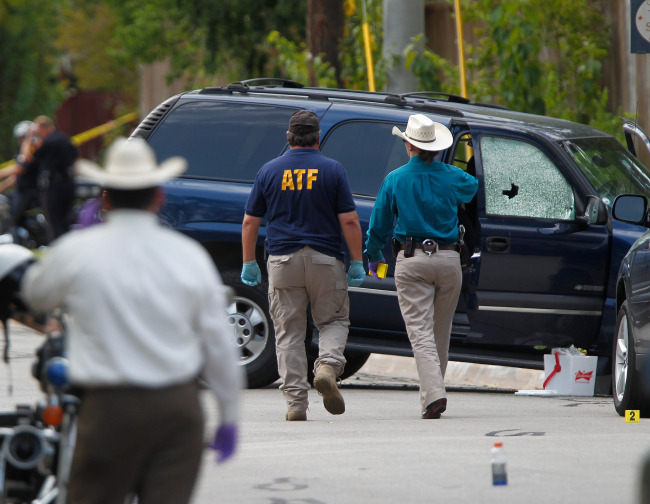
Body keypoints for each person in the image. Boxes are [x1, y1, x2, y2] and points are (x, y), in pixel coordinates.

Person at [17, 137, 243, 504]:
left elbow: (35, 294)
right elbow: (219, 346)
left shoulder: (78, 251)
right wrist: (229, 417)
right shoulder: (189, 256)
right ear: (159, 197)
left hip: (109, 412)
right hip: (177, 411)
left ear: (104, 198)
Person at [241, 109, 365, 421]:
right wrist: (356, 261)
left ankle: (296, 404)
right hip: (325, 259)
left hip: (282, 260)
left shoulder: (269, 170)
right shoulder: (333, 170)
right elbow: (349, 220)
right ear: (318, 137)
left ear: (289, 137)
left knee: (288, 332)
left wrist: (249, 263)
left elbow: (249, 222)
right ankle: (327, 365)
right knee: (333, 321)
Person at [364, 114, 478, 420]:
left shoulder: (395, 179)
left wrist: (374, 255)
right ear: (437, 148)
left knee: (420, 331)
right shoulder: (453, 176)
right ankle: (432, 396)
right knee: (440, 331)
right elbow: (472, 186)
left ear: (408, 144)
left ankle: (434, 395)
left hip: (412, 259)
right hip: (449, 259)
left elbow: (379, 225)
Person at [19, 116, 78, 242]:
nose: (38, 134)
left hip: (54, 186)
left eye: (37, 131)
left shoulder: (48, 142)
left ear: (43, 127)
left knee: (54, 222)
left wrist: (28, 138)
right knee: (66, 219)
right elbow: (77, 160)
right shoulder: (65, 139)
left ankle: (58, 248)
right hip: (69, 183)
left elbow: (27, 158)